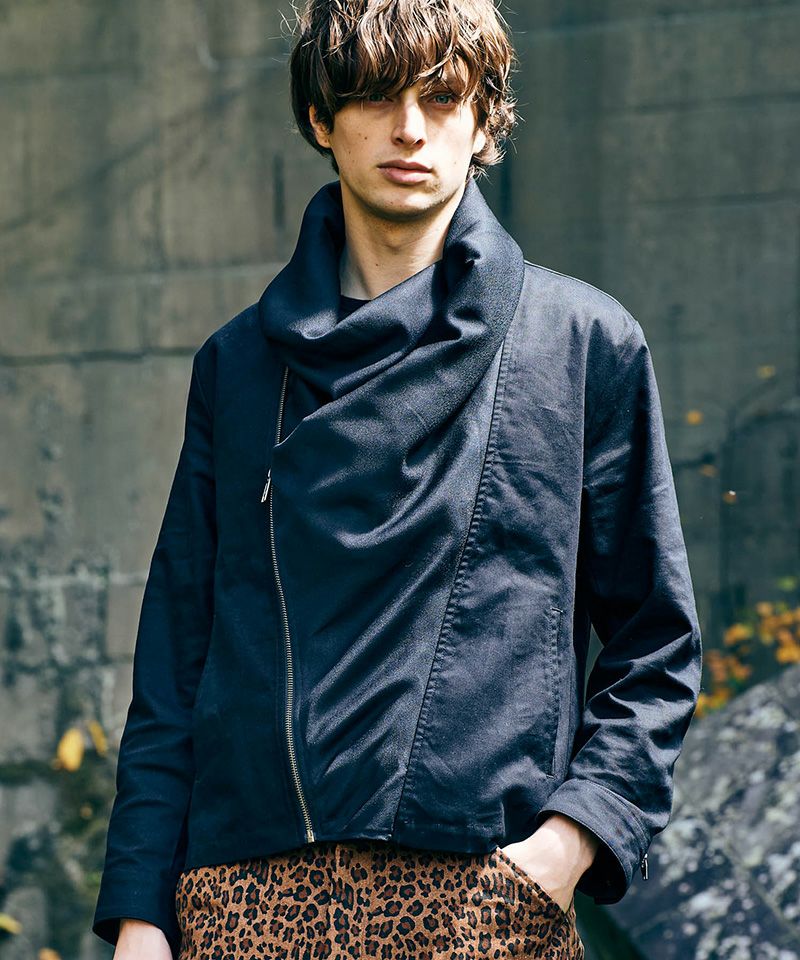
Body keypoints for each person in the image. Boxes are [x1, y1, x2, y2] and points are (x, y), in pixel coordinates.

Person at [92, 0, 703, 957]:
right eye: (377, 97)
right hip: (245, 904)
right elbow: (176, 661)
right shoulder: (239, 368)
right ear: (320, 118)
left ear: (484, 120)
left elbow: (655, 646)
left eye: (442, 97)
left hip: (484, 901)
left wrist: (567, 845)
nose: (410, 129)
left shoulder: (582, 346)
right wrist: (140, 912)